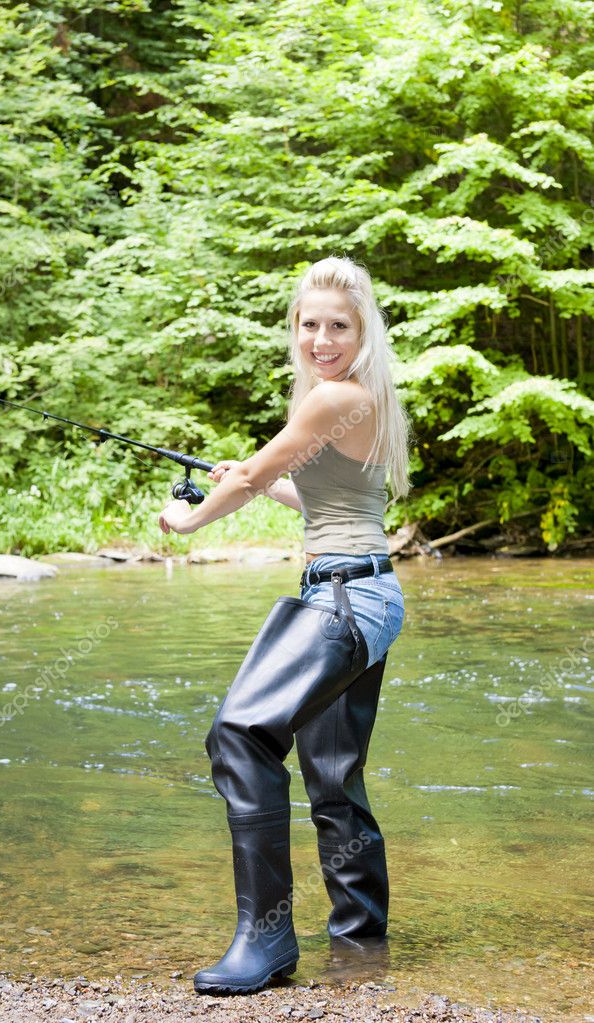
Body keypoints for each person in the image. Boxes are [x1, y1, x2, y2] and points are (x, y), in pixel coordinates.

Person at [158, 255, 412, 995]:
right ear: (294, 327)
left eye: (338, 325)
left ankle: (264, 937)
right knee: (331, 775)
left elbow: (245, 478)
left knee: (241, 732)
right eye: (310, 324)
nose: (321, 337)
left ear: (362, 332)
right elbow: (333, 499)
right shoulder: (365, 398)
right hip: (369, 591)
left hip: (343, 598)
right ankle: (361, 944)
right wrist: (269, 483)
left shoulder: (334, 396)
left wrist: (191, 516)